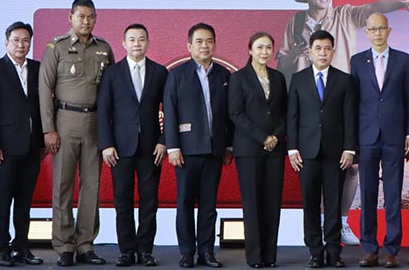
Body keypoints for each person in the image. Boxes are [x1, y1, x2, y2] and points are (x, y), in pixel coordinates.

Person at [277, 0, 409, 245]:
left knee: (352, 166)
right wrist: (296, 53)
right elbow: (282, 62)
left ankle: (342, 222)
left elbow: (375, 7)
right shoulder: (295, 23)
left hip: (344, 98)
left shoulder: (346, 14)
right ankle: (322, 229)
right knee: (316, 168)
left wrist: (404, 3)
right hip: (311, 102)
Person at [39, 0, 115, 266]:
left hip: (95, 122)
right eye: (81, 16)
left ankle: (85, 244)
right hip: (65, 120)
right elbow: (44, 89)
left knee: (91, 186)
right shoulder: (56, 47)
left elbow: (112, 90)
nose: (86, 21)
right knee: (62, 185)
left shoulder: (104, 48)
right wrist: (48, 129)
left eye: (91, 16)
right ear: (70, 17)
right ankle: (64, 246)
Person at [97, 24, 169, 267]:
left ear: (147, 42)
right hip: (119, 148)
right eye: (132, 39)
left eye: (141, 39)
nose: (137, 43)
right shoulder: (112, 73)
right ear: (123, 43)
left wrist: (164, 140)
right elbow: (103, 111)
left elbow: (170, 109)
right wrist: (106, 144)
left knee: (150, 202)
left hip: (151, 148)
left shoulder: (160, 72)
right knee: (122, 202)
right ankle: (126, 251)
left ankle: (146, 251)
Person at [164, 23, 234, 269]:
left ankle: (206, 252)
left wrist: (229, 146)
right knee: (184, 203)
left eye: (209, 41)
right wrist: (172, 147)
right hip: (186, 150)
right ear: (189, 46)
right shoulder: (177, 75)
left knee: (209, 204)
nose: (205, 46)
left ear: (215, 44)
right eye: (200, 41)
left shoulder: (224, 75)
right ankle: (186, 252)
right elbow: (170, 112)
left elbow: (230, 115)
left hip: (215, 150)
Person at [287, 30, 358, 269]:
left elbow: (350, 117)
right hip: (306, 153)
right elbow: (292, 116)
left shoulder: (344, 80)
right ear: (310, 51)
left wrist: (349, 149)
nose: (322, 53)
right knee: (310, 203)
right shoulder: (298, 79)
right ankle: (315, 251)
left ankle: (334, 251)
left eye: (327, 48)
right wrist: (292, 148)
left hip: (336, 153)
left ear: (333, 51)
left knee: (333, 203)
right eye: (318, 48)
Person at [350, 13, 409, 268]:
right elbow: (353, 102)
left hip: (394, 136)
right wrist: (352, 139)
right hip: (366, 136)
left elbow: (408, 99)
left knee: (393, 195)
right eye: (372, 29)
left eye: (381, 28)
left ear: (389, 31)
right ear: (366, 32)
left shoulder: (403, 60)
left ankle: (391, 250)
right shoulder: (357, 61)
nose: (377, 33)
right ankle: (369, 248)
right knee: (367, 194)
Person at [0, 22, 45, 267]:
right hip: (6, 147)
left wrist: (42, 140)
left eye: (26, 40)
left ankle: (22, 247)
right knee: (4, 198)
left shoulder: (38, 68)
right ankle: (2, 247)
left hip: (32, 146)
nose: (21, 45)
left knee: (25, 200)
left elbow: (42, 107)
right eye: (16, 40)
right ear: (6, 42)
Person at [228, 32, 288, 268]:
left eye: (268, 47)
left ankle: (270, 256)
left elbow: (285, 112)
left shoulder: (279, 77)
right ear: (250, 50)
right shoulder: (238, 78)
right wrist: (262, 137)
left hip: (275, 149)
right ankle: (254, 257)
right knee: (252, 203)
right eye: (260, 47)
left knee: (272, 203)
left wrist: (276, 136)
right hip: (249, 149)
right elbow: (236, 113)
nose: (265, 52)